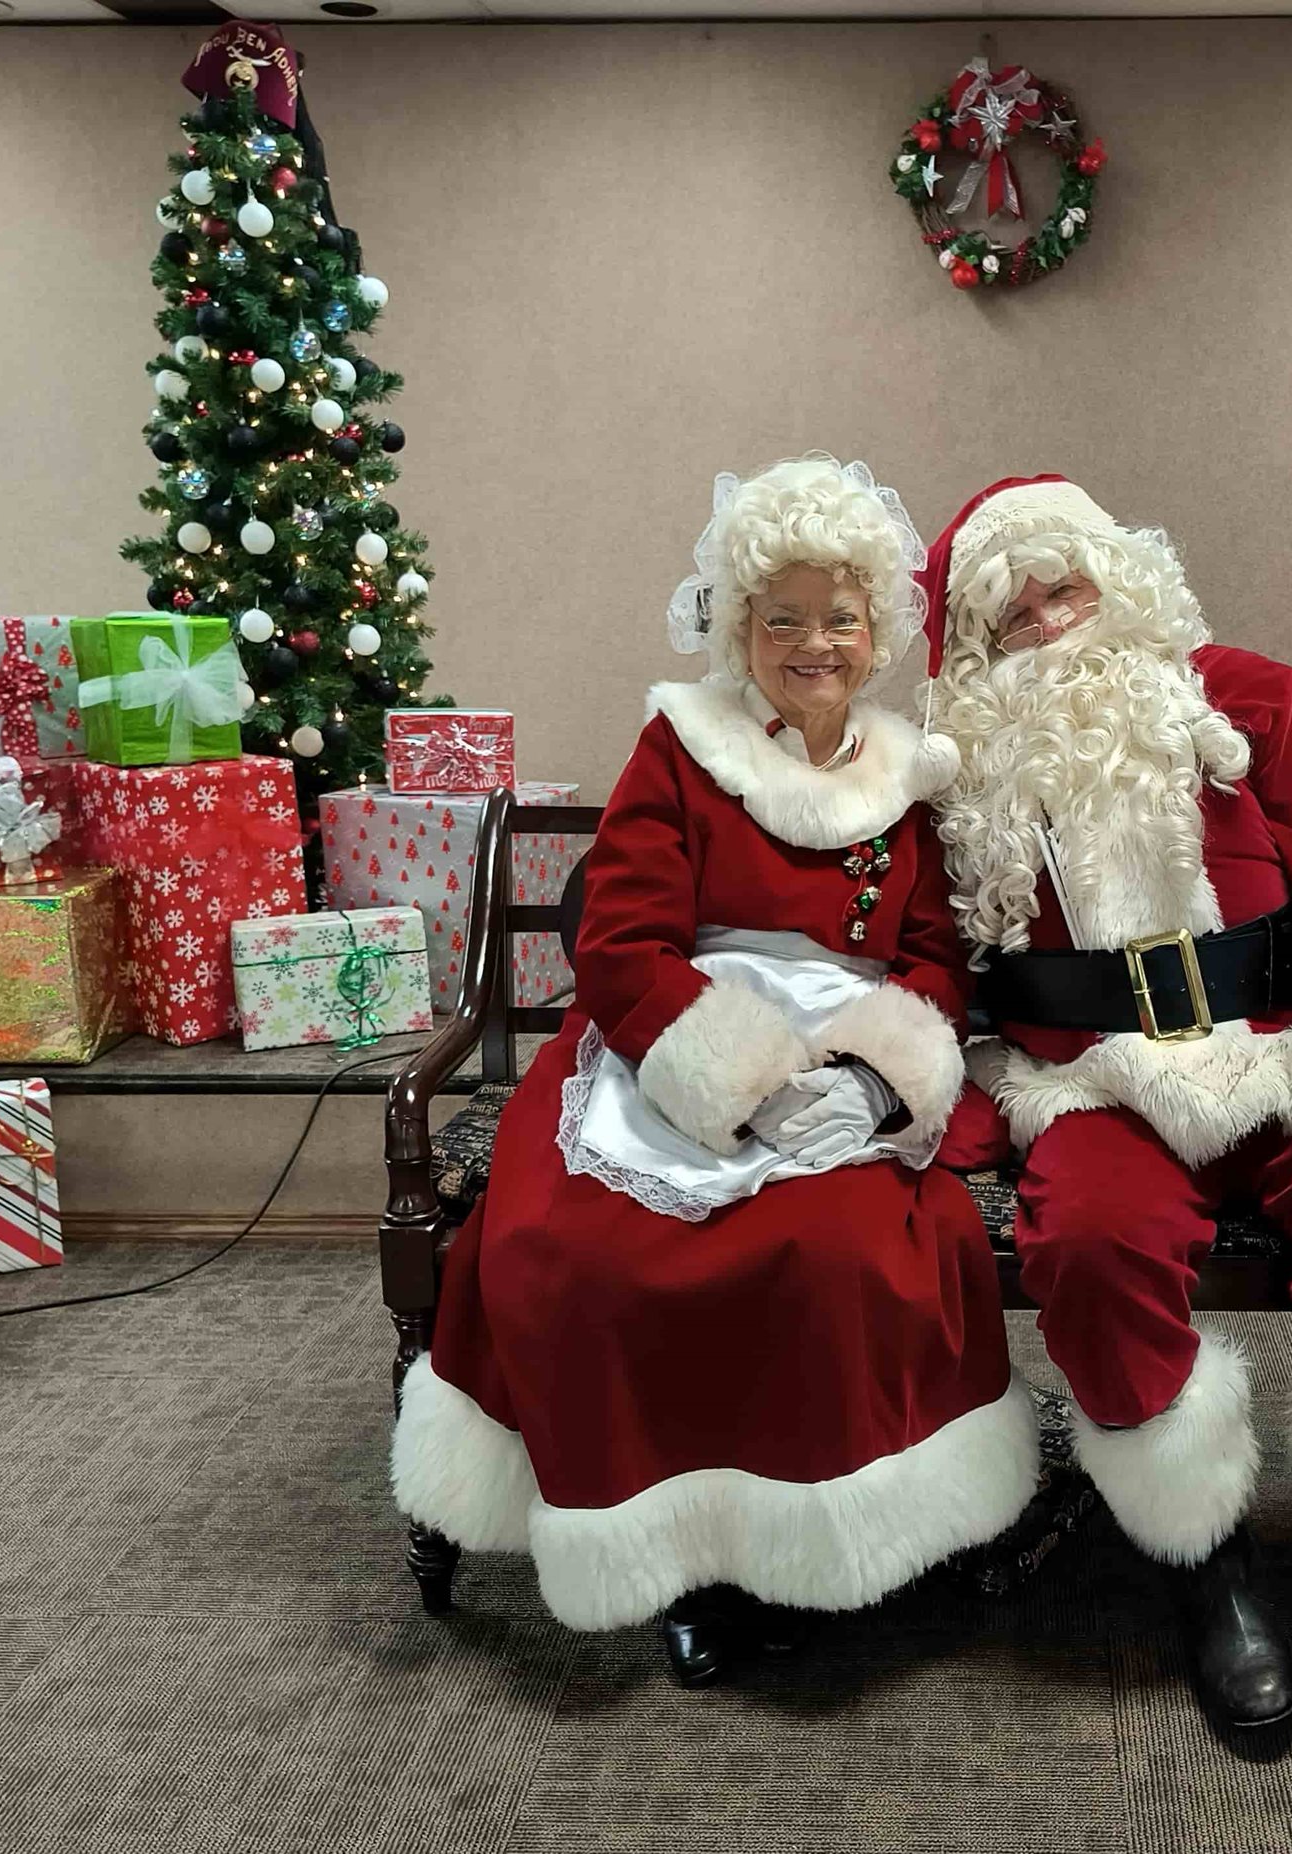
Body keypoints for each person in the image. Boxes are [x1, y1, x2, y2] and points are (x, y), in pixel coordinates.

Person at [391, 456, 1039, 1685]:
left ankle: (825, 1536)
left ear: (877, 631)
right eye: (780, 617)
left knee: (843, 1252)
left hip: (846, 1069)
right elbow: (620, 943)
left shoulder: (911, 773)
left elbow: (937, 961)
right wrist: (728, 1075)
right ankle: (690, 1553)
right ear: (736, 627)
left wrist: (872, 1076)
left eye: (837, 617)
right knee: (581, 1252)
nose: (812, 644)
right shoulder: (681, 747)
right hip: (672, 1043)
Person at [923, 475, 1292, 1790]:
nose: (1052, 623)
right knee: (1092, 1249)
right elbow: (930, 960)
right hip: (1096, 1084)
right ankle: (1210, 1563)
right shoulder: (960, 766)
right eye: (1014, 616)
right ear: (976, 648)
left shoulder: (1253, 694)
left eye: (1066, 587)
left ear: (1117, 577)